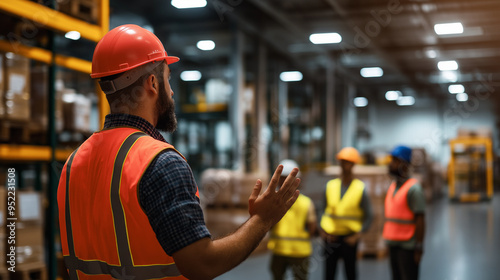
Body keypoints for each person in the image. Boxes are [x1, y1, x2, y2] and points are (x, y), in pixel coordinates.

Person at [56, 24, 301, 280]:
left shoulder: (73, 163)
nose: (171, 92)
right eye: (168, 78)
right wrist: (263, 220)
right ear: (152, 83)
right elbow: (202, 264)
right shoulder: (159, 162)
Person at [320, 147, 373, 280]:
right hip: (331, 237)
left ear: (354, 164)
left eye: (348, 162)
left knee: (351, 273)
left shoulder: (360, 188)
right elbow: (322, 210)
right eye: (343, 162)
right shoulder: (330, 186)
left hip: (350, 238)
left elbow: (369, 215)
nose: (345, 165)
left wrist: (358, 234)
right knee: (329, 273)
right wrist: (323, 231)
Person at [267, 159, 317, 280]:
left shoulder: (272, 203)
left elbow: (268, 225)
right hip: (289, 250)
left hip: (287, 250)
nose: (284, 182)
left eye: (287, 178)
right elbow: (312, 228)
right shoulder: (307, 202)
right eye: (283, 178)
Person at [383, 145, 426, 280]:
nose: (391, 164)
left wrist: (419, 247)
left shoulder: (414, 189)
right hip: (393, 244)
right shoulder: (393, 186)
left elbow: (420, 220)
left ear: (405, 165)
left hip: (408, 246)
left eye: (395, 161)